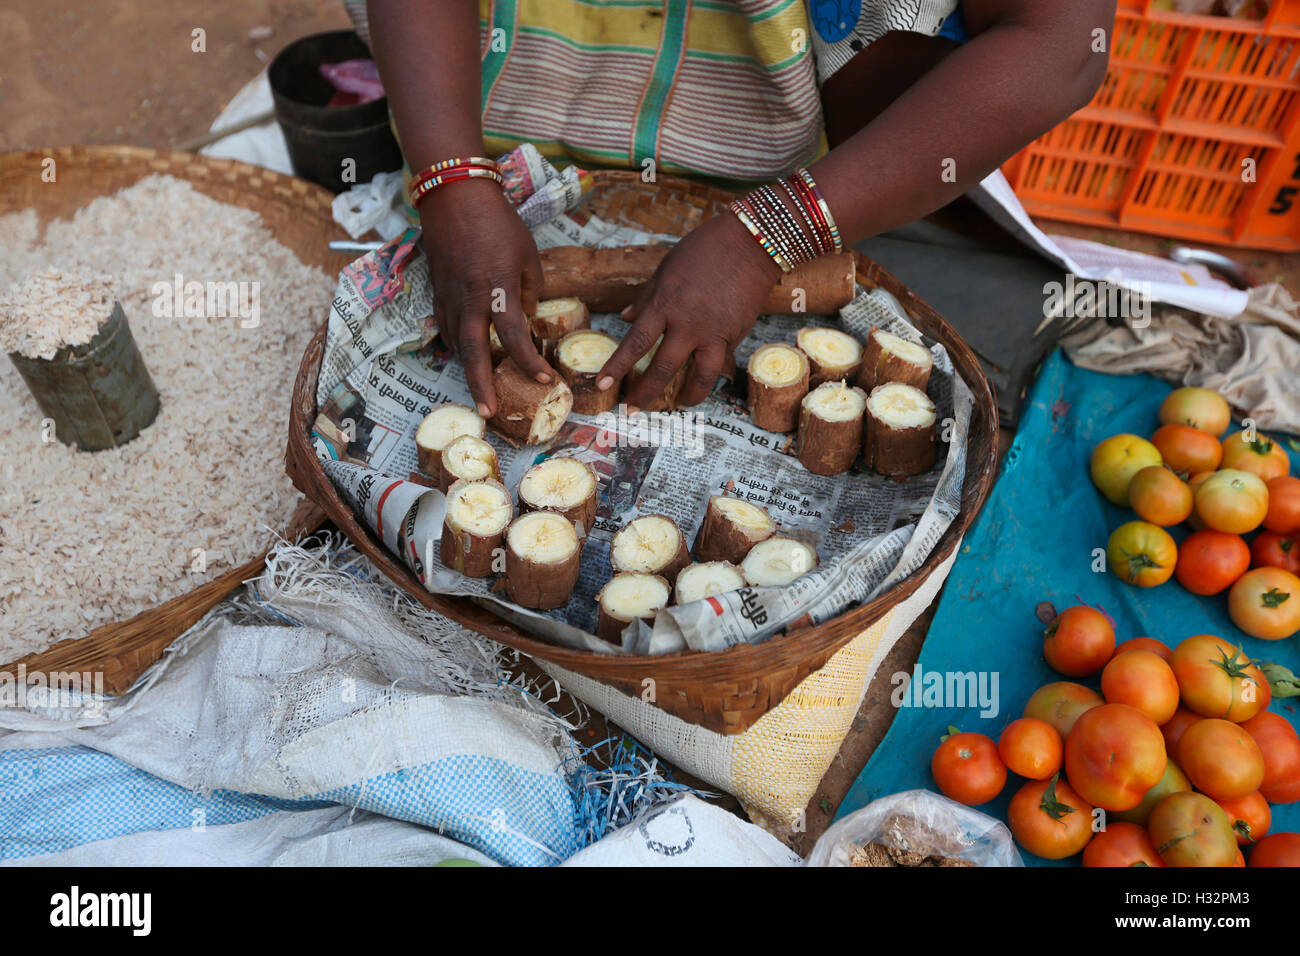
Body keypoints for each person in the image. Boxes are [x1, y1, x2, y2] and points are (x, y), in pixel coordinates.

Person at [365, 1, 1114, 419]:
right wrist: (453, 178)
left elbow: (1064, 41)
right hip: (497, 117)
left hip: (786, 151)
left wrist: (770, 233)